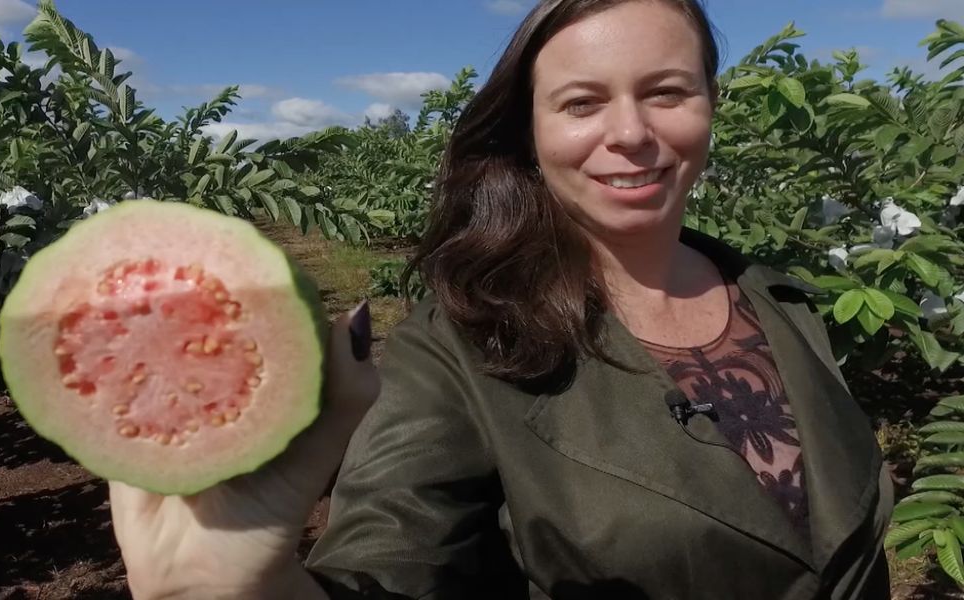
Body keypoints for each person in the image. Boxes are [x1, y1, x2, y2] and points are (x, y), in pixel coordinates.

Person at [107, 0, 894, 598]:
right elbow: (391, 556)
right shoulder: (461, 345)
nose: (630, 132)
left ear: (710, 104)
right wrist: (253, 586)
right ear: (529, 133)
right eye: (582, 103)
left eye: (666, 91)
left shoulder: (781, 300)